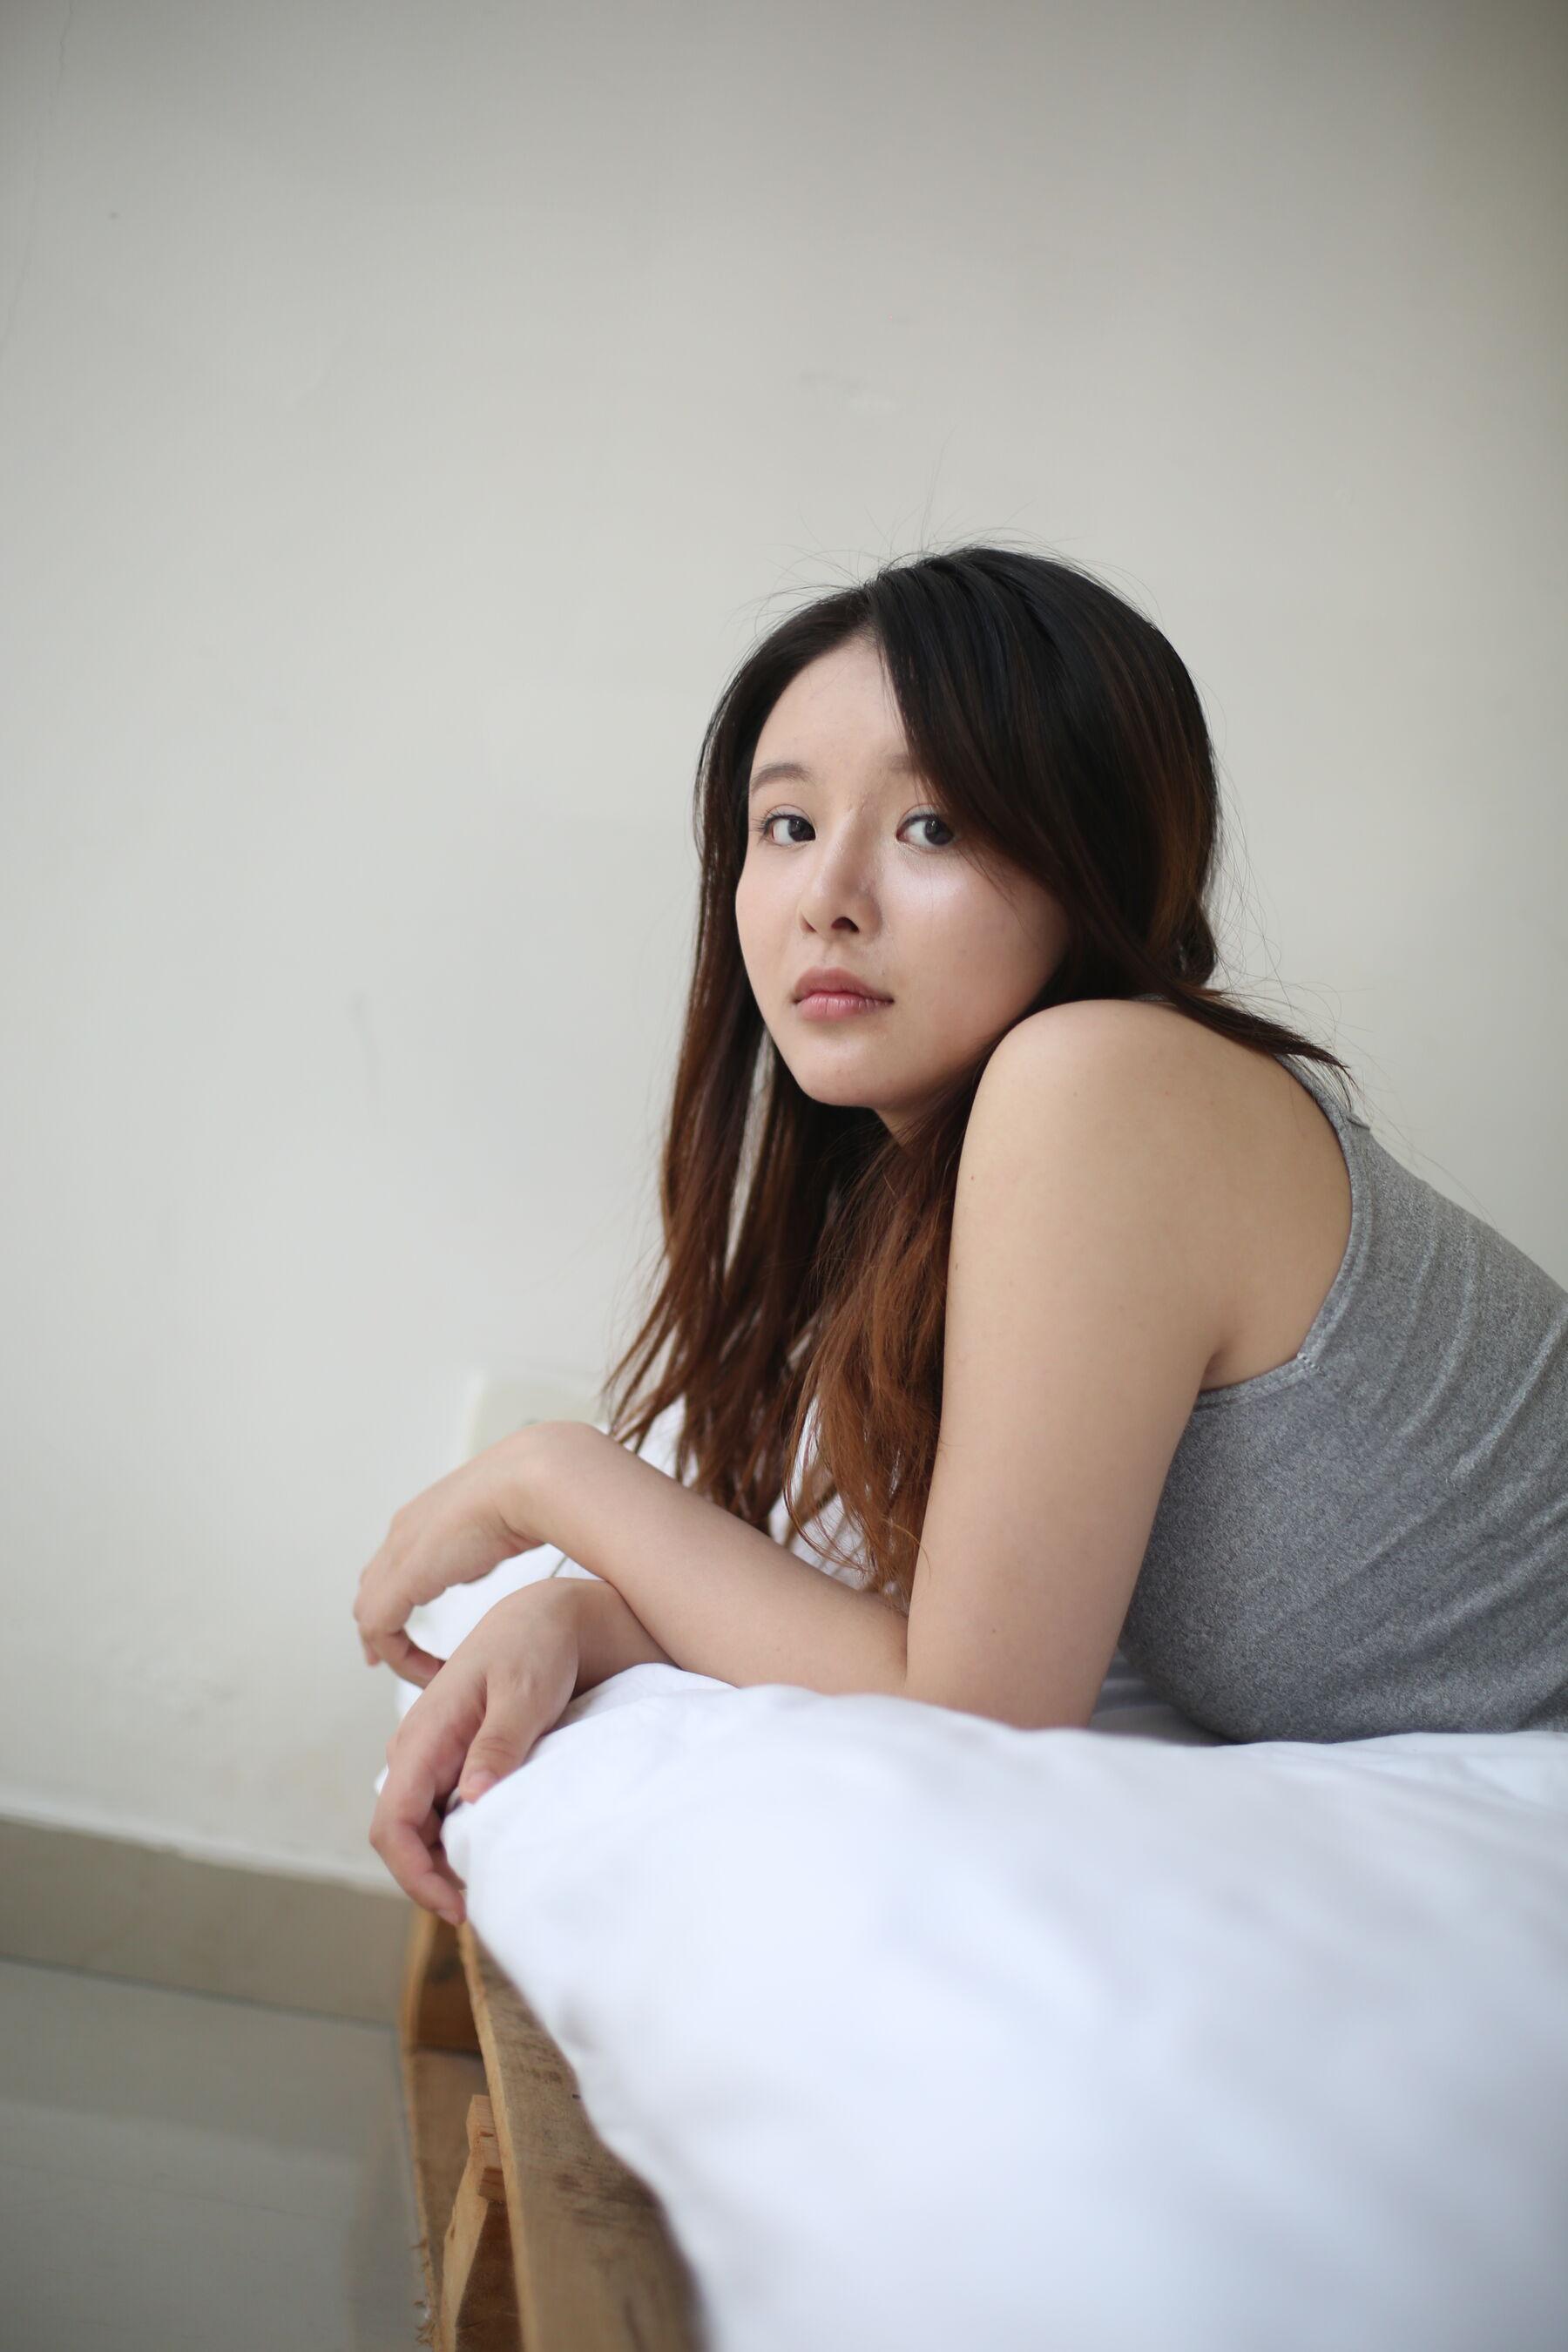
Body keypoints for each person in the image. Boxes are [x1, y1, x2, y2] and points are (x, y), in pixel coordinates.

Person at [355, 543, 1568, 1925]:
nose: (829, 895)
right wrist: (585, 1618)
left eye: (932, 827)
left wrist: (551, 1475)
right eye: (786, 825)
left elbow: (968, 1716)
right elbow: (930, 1636)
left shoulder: (1101, 1083)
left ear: (1094, 862)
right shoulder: (941, 1177)